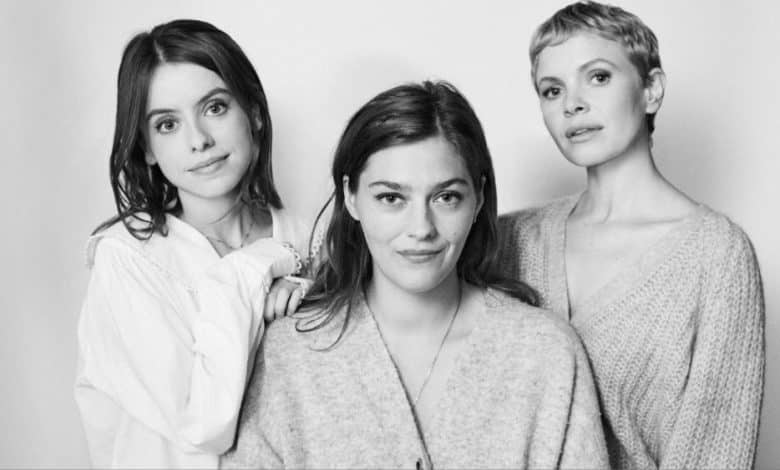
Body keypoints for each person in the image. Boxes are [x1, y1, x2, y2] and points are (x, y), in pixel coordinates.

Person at [222, 81, 608, 469]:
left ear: (477, 198)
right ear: (351, 197)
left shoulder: (543, 353)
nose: (421, 228)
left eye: (446, 197)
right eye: (391, 198)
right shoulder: (291, 355)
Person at [497, 2, 765, 468]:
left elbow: (713, 454)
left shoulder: (716, 255)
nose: (572, 104)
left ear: (651, 90)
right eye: (551, 89)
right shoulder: (510, 239)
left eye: (598, 77)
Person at [75, 19, 311, 468]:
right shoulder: (129, 258)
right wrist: (257, 267)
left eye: (216, 108)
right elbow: (205, 425)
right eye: (167, 124)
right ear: (146, 147)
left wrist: (310, 291)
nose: (199, 140)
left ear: (254, 112)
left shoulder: (301, 235)